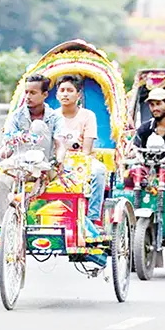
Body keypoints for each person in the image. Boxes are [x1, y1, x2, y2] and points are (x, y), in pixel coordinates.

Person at [0, 74, 67, 227]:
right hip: (19, 166)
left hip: (44, 167)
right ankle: (2, 230)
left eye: (33, 93)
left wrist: (58, 159)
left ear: (45, 95)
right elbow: (9, 145)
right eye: (26, 92)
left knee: (38, 125)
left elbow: (60, 143)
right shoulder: (16, 116)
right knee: (0, 183)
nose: (28, 96)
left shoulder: (55, 117)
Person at [54, 74, 107, 238]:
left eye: (70, 90)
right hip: (57, 159)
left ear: (78, 95)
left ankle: (93, 218)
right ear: (57, 94)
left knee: (99, 171)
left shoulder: (88, 116)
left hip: (81, 159)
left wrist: (78, 164)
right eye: (62, 90)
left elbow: (87, 149)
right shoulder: (52, 116)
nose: (65, 94)